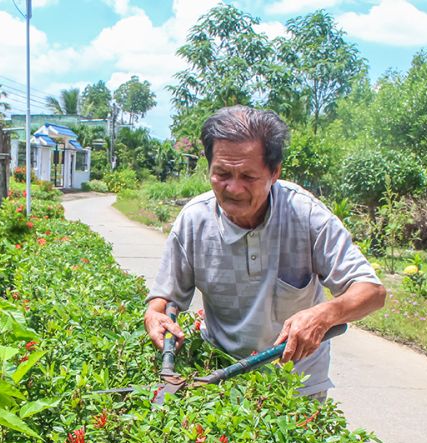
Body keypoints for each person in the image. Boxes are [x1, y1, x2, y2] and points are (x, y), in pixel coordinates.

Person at [144, 106, 386, 399]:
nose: (233, 188)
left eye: (248, 176)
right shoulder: (194, 220)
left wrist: (324, 315)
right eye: (222, 173)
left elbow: (371, 291)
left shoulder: (306, 215)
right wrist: (155, 314)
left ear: (275, 172)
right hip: (219, 379)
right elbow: (166, 296)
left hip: (296, 385)